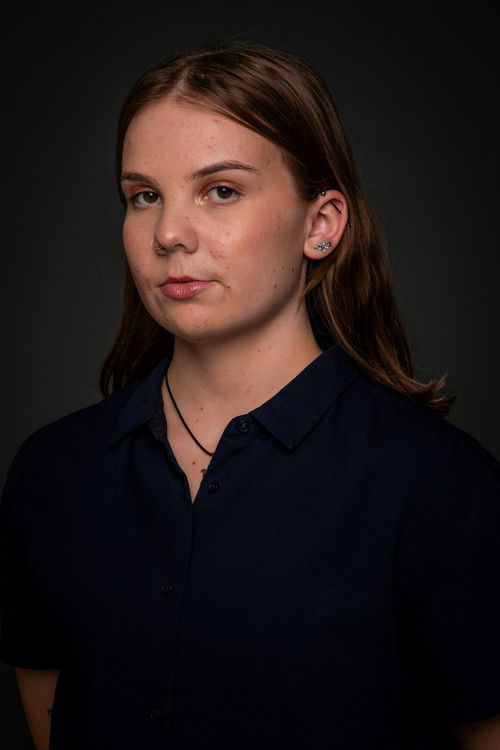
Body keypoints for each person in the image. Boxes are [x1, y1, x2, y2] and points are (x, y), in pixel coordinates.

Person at [1, 41, 499, 750]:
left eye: (221, 190)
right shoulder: (52, 472)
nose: (168, 234)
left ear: (321, 224)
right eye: (144, 196)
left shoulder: (438, 484)